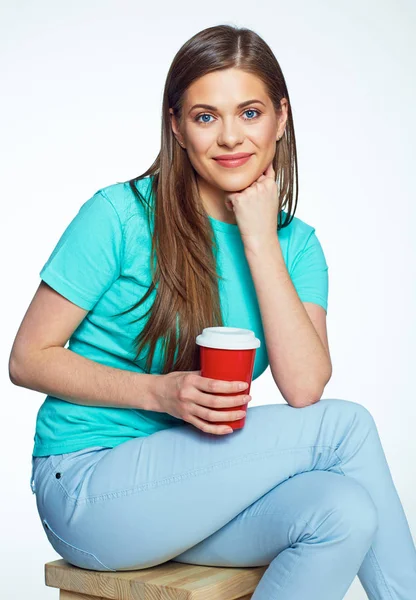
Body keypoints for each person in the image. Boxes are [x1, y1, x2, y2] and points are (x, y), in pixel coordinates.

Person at [9, 23, 416, 599]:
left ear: (281, 117)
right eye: (206, 117)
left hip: (193, 495)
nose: (230, 137)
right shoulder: (119, 216)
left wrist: (258, 238)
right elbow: (27, 359)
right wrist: (159, 392)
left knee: (344, 510)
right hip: (88, 486)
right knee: (345, 428)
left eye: (249, 113)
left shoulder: (295, 246)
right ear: (177, 126)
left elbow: (302, 387)